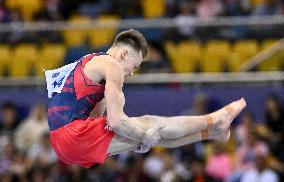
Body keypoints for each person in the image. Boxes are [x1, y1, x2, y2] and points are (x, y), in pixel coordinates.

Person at [46, 29, 246, 168]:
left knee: (152, 133)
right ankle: (214, 120)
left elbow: (97, 118)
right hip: (73, 136)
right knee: (150, 124)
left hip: (61, 143)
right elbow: (115, 121)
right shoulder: (111, 65)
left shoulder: (89, 62)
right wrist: (141, 135)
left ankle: (212, 132)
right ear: (124, 53)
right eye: (135, 66)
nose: (132, 73)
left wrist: (137, 136)